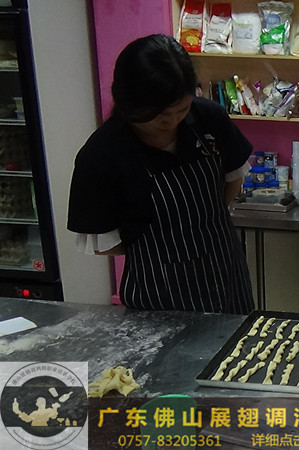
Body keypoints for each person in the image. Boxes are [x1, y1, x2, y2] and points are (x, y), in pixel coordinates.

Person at [67, 34, 253, 314]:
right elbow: (105, 244)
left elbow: (233, 179)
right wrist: (163, 251)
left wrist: (200, 225)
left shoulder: (209, 119)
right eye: (160, 115)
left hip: (227, 281)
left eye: (182, 109)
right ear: (129, 104)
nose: (173, 121)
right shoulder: (101, 155)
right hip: (158, 296)